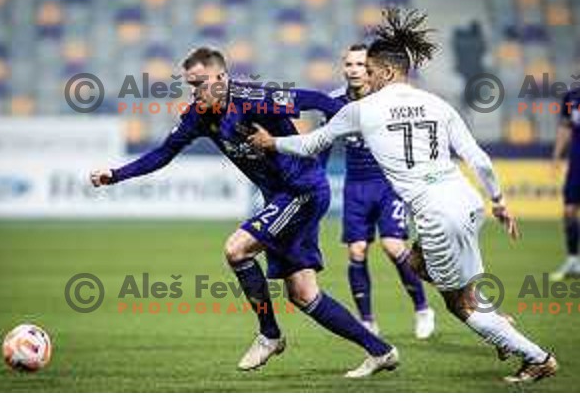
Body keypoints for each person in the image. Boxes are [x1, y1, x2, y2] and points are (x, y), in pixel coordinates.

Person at [249, 9, 557, 383]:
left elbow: (311, 143)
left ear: (389, 72)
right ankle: (498, 321)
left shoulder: (361, 110)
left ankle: (538, 357)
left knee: (458, 303)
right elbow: (479, 159)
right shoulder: (438, 104)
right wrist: (499, 201)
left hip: (437, 213)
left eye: (373, 71)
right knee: (415, 262)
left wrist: (271, 142)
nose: (368, 77)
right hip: (467, 200)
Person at [90, 47, 399, 377]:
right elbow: (164, 153)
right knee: (303, 294)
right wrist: (116, 174)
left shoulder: (254, 99)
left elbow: (318, 101)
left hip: (301, 191)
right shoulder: (198, 115)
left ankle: (269, 334)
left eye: (200, 83)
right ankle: (380, 351)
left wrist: (363, 122)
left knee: (236, 249)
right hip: (282, 197)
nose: (195, 92)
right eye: (190, 86)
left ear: (222, 79)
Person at [328, 44, 434, 338]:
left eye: (360, 65)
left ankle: (423, 309)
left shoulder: (387, 99)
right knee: (357, 250)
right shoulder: (335, 101)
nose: (353, 70)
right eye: (348, 64)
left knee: (393, 245)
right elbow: (323, 142)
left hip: (389, 184)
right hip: (355, 186)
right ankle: (367, 321)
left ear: (371, 68)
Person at [550, 87, 580, 280]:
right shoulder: (572, 97)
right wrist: (557, 155)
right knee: (569, 210)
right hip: (577, 162)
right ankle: (572, 260)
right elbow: (565, 127)